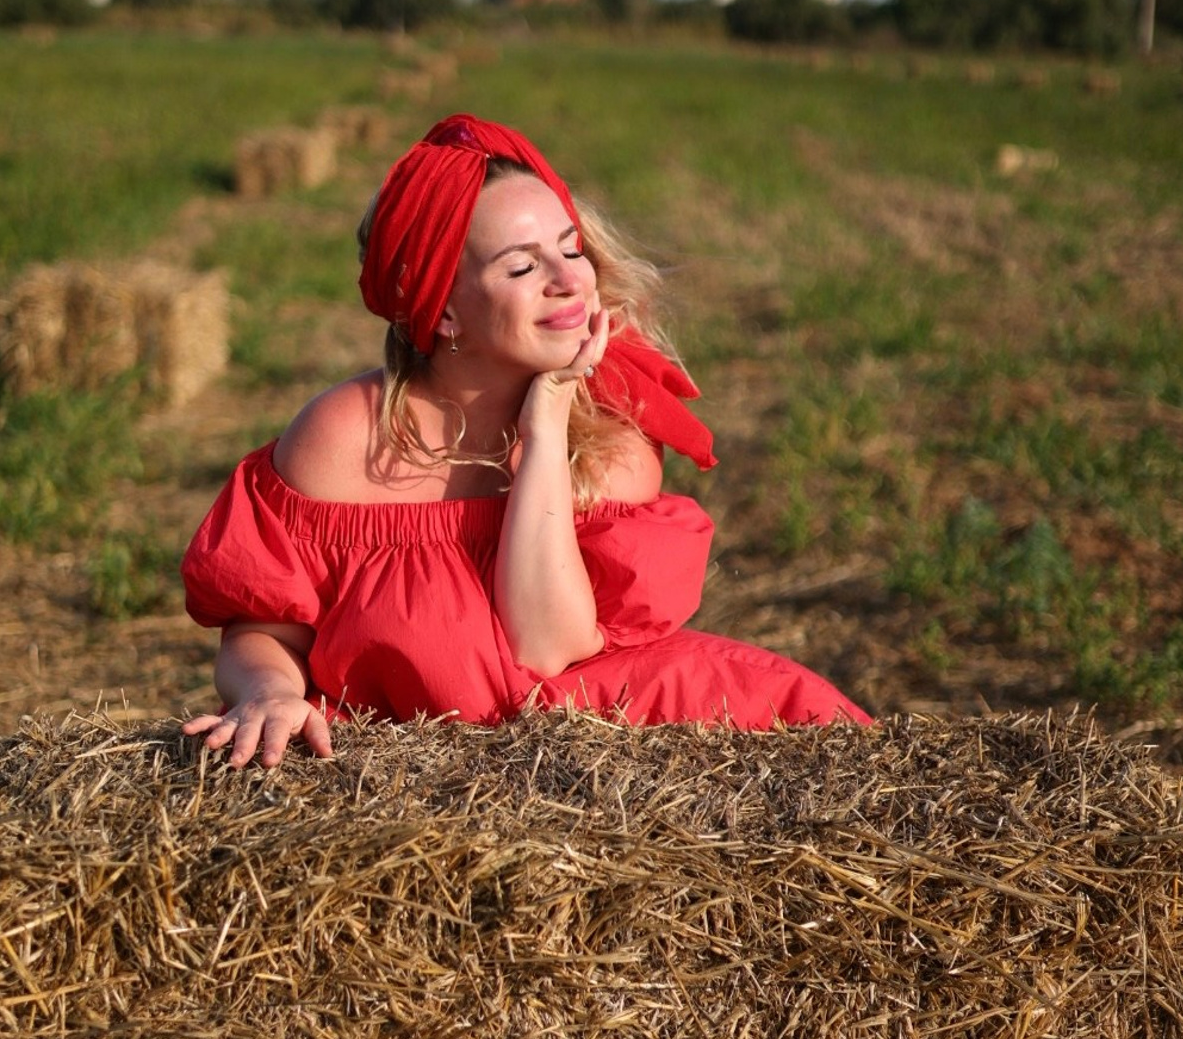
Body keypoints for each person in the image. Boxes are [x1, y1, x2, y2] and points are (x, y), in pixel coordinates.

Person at [181, 113, 870, 768]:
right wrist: (270, 690)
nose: (570, 281)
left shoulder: (611, 436)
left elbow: (544, 650)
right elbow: (263, 628)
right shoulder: (343, 437)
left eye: (571, 249)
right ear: (443, 311)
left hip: (627, 737)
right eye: (522, 267)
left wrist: (546, 428)